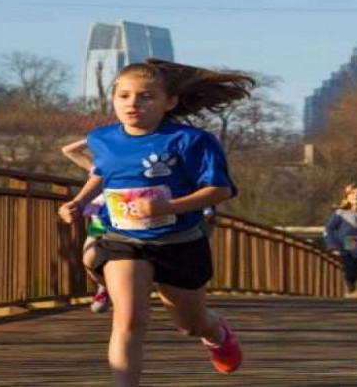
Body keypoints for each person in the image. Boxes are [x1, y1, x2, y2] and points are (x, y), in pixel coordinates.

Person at [57, 58, 254, 386]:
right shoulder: (102, 138)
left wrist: (169, 205)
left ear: (170, 101)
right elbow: (102, 173)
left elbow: (220, 190)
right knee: (129, 319)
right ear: (114, 99)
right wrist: (78, 202)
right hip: (124, 239)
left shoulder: (191, 140)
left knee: (189, 325)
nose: (133, 104)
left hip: (178, 241)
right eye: (124, 96)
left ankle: (216, 333)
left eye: (146, 96)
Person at [61, 139, 110, 313]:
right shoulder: (99, 166)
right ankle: (104, 287)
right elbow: (68, 150)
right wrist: (96, 137)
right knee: (89, 258)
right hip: (100, 220)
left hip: (132, 220)